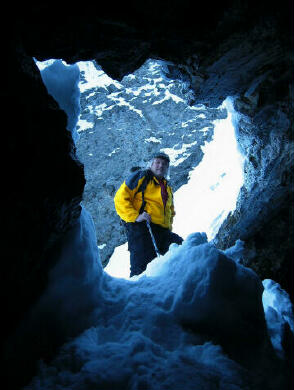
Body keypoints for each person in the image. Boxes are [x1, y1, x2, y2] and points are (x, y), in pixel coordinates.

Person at [114, 152, 183, 277]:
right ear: (151, 164)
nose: (161, 166)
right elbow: (120, 198)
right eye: (157, 162)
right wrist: (135, 216)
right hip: (142, 227)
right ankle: (134, 294)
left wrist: (168, 228)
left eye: (164, 164)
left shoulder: (167, 187)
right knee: (142, 268)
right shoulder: (141, 177)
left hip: (163, 231)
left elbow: (170, 211)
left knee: (184, 249)